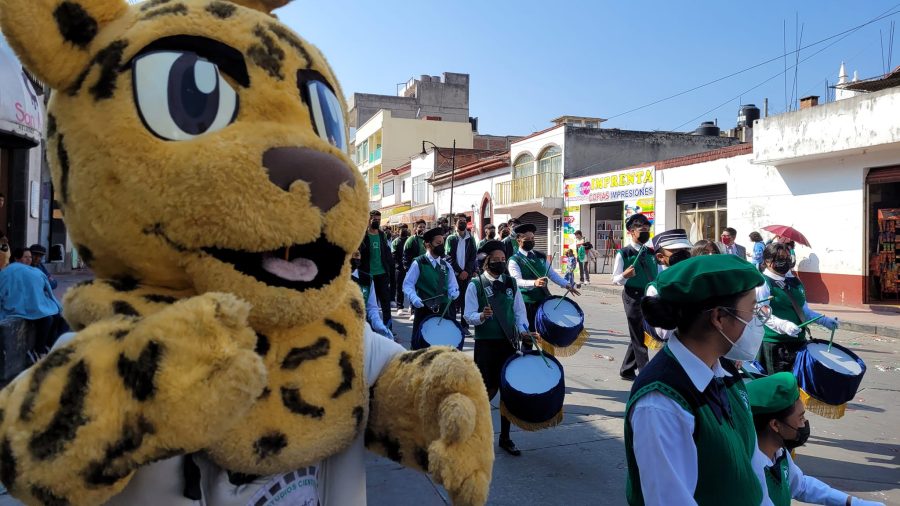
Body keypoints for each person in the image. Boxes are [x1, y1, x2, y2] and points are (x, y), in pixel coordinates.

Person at [625, 255, 773, 506]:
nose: (756, 320)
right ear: (719, 318)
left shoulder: (724, 374)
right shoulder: (662, 401)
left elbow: (752, 471)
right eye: (752, 310)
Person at [747, 373, 884, 506]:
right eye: (800, 418)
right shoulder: (751, 472)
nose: (804, 423)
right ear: (775, 425)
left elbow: (801, 485)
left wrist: (852, 502)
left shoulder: (778, 453)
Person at [464, 240, 534, 457]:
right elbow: (467, 316)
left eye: (503, 260)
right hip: (486, 345)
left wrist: (524, 330)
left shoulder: (511, 283)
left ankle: (505, 437)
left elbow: (519, 312)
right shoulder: (475, 285)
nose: (500, 263)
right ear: (486, 262)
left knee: (507, 392)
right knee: (486, 391)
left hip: (508, 343)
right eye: (496, 260)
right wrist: (481, 317)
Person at [756, 243, 838, 375]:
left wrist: (824, 321)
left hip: (798, 342)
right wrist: (783, 325)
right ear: (768, 261)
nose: (786, 261)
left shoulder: (794, 281)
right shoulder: (763, 283)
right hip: (776, 344)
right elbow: (761, 313)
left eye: (788, 257)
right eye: (781, 258)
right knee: (781, 388)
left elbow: (804, 310)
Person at [508, 223, 579, 340]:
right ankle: (528, 356)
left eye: (532, 238)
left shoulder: (540, 256)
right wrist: (533, 283)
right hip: (526, 303)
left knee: (547, 334)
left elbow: (552, 274)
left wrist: (566, 285)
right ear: (519, 240)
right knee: (529, 337)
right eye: (527, 239)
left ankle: (547, 357)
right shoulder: (514, 260)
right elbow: (516, 281)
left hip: (543, 300)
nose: (530, 241)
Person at [612, 213, 656, 381]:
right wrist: (625, 274)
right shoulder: (623, 253)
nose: (645, 232)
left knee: (640, 332)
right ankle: (646, 373)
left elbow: (657, 274)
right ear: (631, 231)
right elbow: (615, 279)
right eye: (641, 229)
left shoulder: (651, 252)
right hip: (632, 296)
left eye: (647, 229)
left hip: (648, 294)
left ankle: (627, 369)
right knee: (638, 332)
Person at [0, 248, 68, 355]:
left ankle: (50, 345)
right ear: (17, 258)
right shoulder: (8, 271)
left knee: (57, 316)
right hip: (19, 306)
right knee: (48, 319)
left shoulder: (35, 270)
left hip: (34, 304)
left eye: (30, 257)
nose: (29, 260)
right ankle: (38, 350)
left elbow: (50, 285)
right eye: (25, 257)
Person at [402, 227, 460, 348]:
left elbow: (453, 285)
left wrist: (454, 292)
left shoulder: (446, 265)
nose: (441, 245)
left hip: (443, 310)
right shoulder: (419, 262)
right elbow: (407, 285)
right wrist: (414, 298)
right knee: (421, 346)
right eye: (438, 243)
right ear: (428, 244)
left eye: (442, 243)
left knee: (442, 345)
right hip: (424, 308)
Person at [643, 229, 694, 347]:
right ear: (660, 257)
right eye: (675, 251)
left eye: (686, 249)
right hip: (677, 346)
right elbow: (663, 333)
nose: (683, 254)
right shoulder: (656, 288)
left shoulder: (696, 279)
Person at [359, 210, 395, 327]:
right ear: (368, 220)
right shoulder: (362, 236)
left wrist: (390, 269)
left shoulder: (382, 235)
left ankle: (388, 329)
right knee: (367, 305)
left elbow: (386, 253)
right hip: (367, 275)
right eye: (375, 219)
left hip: (382, 274)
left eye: (379, 220)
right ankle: (369, 329)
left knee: (385, 303)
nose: (377, 222)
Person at [350, 250, 393, 339]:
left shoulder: (367, 279)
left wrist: (378, 323)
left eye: (357, 254)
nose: (355, 258)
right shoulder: (334, 278)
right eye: (351, 254)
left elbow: (371, 307)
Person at [447, 215, 477, 336]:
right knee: (453, 300)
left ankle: (465, 326)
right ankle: (453, 324)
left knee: (466, 300)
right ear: (455, 223)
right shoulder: (451, 238)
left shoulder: (471, 238)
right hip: (454, 274)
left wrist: (466, 271)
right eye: (461, 221)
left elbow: (473, 257)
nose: (463, 223)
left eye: (465, 221)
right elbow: (449, 256)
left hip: (466, 274)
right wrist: (459, 271)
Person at [392, 224, 411, 314]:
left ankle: (412, 306)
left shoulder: (410, 240)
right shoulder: (395, 241)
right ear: (398, 230)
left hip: (410, 267)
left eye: (405, 229)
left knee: (412, 287)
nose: (404, 230)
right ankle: (400, 306)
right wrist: (399, 265)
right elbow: (393, 255)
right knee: (399, 287)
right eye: (402, 229)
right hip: (399, 268)